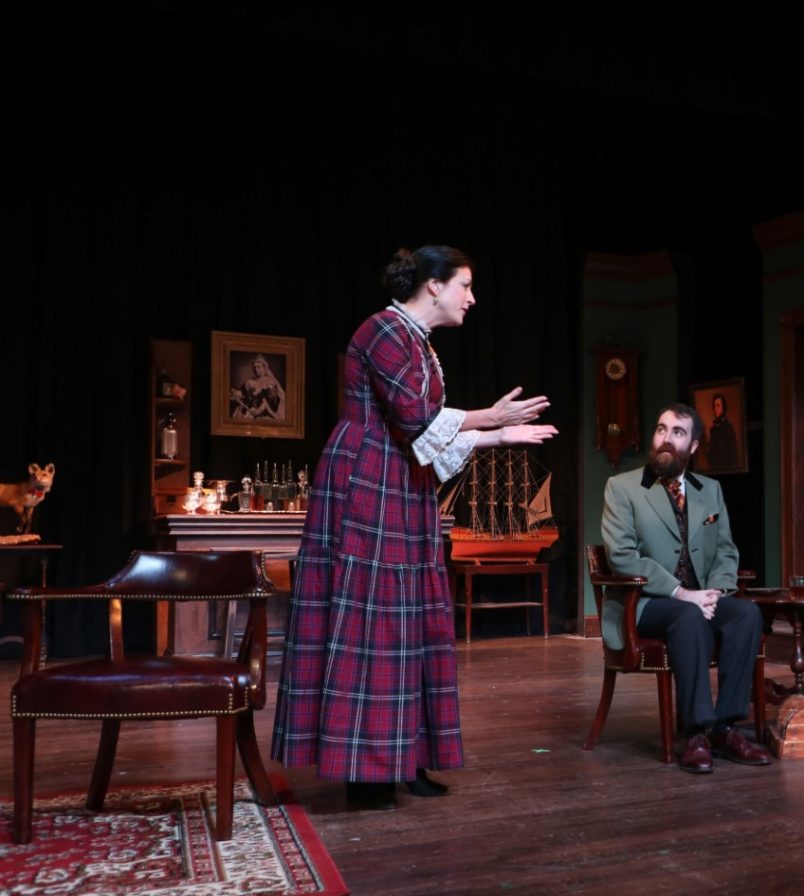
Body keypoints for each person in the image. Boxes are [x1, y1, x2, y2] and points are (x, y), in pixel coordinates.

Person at [271, 246, 557, 810]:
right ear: (433, 285)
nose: (472, 298)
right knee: (372, 622)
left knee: (415, 620)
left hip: (403, 481)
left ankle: (407, 758)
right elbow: (416, 418)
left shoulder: (419, 343)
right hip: (368, 482)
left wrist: (497, 437)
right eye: (465, 285)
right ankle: (364, 770)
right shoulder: (384, 330)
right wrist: (491, 418)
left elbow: (425, 436)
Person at [599, 404, 770, 774]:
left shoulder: (711, 490)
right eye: (661, 429)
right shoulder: (623, 488)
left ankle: (724, 728)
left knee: (745, 614)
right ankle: (696, 733)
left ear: (692, 446)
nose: (666, 438)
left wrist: (716, 593)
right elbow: (622, 557)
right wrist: (682, 593)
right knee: (687, 616)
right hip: (644, 603)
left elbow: (725, 551)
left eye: (677, 432)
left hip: (698, 600)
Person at [230, 354, 286, 420]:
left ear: (264, 368)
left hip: (263, 413)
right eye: (254, 367)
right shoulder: (250, 381)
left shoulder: (270, 383)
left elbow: (271, 402)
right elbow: (243, 393)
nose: (256, 369)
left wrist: (258, 411)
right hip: (249, 410)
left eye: (258, 367)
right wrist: (236, 392)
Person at [705, 392, 740, 471]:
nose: (715, 409)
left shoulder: (729, 429)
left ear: (723, 407)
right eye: (714, 406)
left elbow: (733, 455)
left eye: (718, 406)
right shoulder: (713, 430)